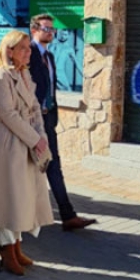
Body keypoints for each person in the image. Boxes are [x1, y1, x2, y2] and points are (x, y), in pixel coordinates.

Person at [0, 31, 53, 275]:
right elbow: (8, 114)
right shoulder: (0, 76)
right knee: (8, 196)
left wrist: (41, 135)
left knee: (22, 197)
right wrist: (35, 139)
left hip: (25, 142)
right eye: (22, 48)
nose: (28, 52)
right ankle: (6, 251)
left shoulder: (24, 74)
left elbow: (34, 108)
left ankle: (17, 246)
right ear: (9, 50)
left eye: (28, 47)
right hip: (7, 143)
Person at [30, 14, 97, 232]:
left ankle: (68, 215)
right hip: (31, 122)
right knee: (28, 168)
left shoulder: (48, 56)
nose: (50, 32)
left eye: (52, 29)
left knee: (53, 164)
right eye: (45, 28)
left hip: (47, 118)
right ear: (34, 30)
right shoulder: (27, 54)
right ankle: (20, 213)